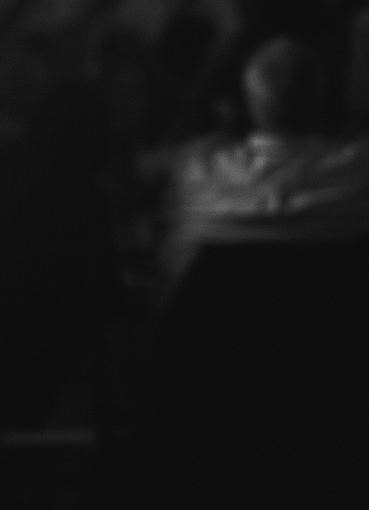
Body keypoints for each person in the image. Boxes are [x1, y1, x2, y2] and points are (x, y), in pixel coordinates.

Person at [145, 37, 369, 506]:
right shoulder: (359, 173)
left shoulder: (198, 167)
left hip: (215, 417)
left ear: (248, 103)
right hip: (332, 413)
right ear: (327, 97)